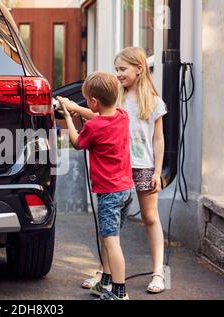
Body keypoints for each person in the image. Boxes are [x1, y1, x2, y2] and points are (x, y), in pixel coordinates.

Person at [73, 47, 168, 294]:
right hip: (120, 166)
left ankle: (158, 272)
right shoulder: (118, 98)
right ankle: (104, 272)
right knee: (110, 227)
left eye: (122, 69)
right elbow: (99, 118)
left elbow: (159, 139)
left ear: (139, 68)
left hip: (144, 165)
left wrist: (157, 171)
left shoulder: (155, 102)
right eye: (116, 69)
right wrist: (75, 108)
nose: (118, 74)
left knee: (150, 217)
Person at [57, 72, 134, 300]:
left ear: (93, 101)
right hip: (125, 190)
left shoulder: (94, 127)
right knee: (107, 236)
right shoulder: (122, 115)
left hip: (109, 193)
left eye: (87, 100)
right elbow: (96, 115)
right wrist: (77, 108)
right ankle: (106, 282)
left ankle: (119, 292)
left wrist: (69, 117)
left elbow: (77, 142)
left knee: (112, 242)